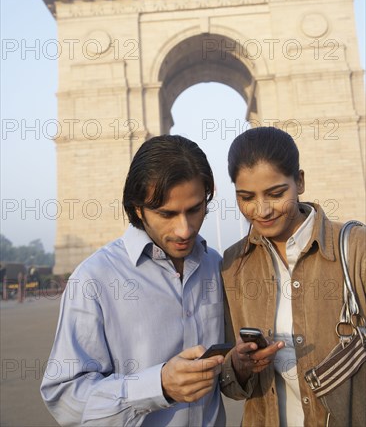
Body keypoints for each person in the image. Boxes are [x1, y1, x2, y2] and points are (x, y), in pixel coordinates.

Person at [41, 135, 226, 427]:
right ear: (137, 208)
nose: (184, 229)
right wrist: (158, 386)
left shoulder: (216, 265)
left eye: (195, 209)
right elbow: (64, 396)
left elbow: (223, 375)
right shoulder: (94, 279)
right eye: (167, 214)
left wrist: (238, 366)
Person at [220, 127, 365, 427]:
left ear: (299, 181)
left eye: (275, 194)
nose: (261, 210)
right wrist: (239, 365)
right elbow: (229, 384)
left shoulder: (357, 248)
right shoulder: (232, 264)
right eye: (246, 197)